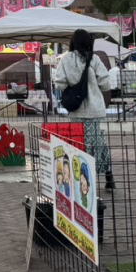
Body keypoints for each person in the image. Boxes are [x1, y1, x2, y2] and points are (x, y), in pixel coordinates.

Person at [52, 29, 115, 191]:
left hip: (76, 110)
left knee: (79, 144)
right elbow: (106, 84)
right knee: (98, 143)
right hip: (95, 110)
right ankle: (107, 175)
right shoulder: (94, 59)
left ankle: (82, 177)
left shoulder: (66, 59)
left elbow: (59, 84)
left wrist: (73, 86)